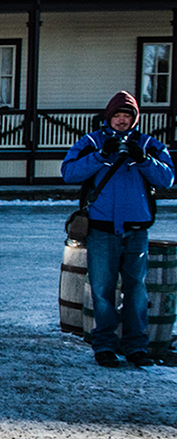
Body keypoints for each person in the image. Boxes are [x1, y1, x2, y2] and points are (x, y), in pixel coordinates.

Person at [61, 91, 175, 367]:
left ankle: (136, 347)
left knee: (136, 290)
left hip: (136, 230)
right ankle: (105, 346)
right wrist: (101, 156)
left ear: (135, 119)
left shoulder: (148, 144)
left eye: (127, 116)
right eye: (117, 115)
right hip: (101, 230)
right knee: (102, 289)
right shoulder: (91, 142)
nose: (122, 121)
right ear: (108, 117)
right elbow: (69, 172)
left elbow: (168, 178)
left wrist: (144, 160)